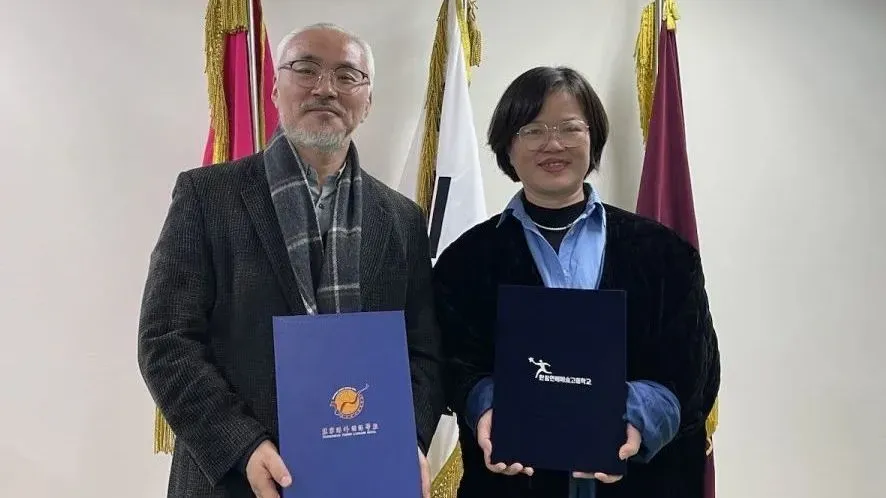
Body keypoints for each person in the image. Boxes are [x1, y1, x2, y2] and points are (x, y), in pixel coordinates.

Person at [137, 23, 444, 498]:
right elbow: (166, 340)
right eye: (306, 69)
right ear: (276, 89)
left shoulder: (401, 218)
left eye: (347, 75)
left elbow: (423, 352)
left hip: (363, 473)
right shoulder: (207, 196)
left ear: (368, 101)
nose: (326, 88)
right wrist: (242, 446)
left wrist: (409, 439)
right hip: (236, 481)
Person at [432, 66, 720, 498]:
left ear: (593, 137)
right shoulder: (465, 261)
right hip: (514, 485)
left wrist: (637, 417)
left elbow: (694, 374)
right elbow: (454, 364)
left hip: (644, 484)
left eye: (570, 128)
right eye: (532, 130)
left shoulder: (665, 254)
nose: (553, 144)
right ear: (507, 145)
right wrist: (489, 405)